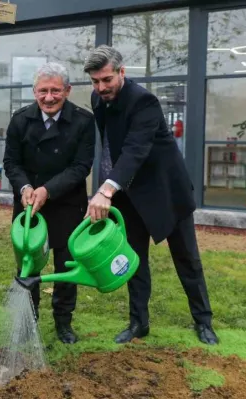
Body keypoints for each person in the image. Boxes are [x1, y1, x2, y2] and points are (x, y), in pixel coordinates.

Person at [83, 45, 218, 345]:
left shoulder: (144, 101)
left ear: (122, 72)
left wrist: (105, 189)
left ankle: (203, 321)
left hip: (165, 191)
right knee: (134, 260)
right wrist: (109, 191)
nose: (101, 87)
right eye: (95, 81)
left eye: (107, 80)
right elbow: (109, 146)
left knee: (187, 259)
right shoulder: (98, 99)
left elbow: (135, 149)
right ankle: (138, 323)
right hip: (128, 193)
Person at [3, 62, 96, 344]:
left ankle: (63, 322)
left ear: (67, 91)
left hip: (67, 204)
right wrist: (25, 187)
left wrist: (48, 190)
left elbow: (81, 166)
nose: (49, 97)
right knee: (28, 266)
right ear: (34, 92)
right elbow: (11, 162)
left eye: (56, 90)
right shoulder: (20, 120)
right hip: (29, 206)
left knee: (66, 267)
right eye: (43, 91)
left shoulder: (83, 120)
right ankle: (27, 322)